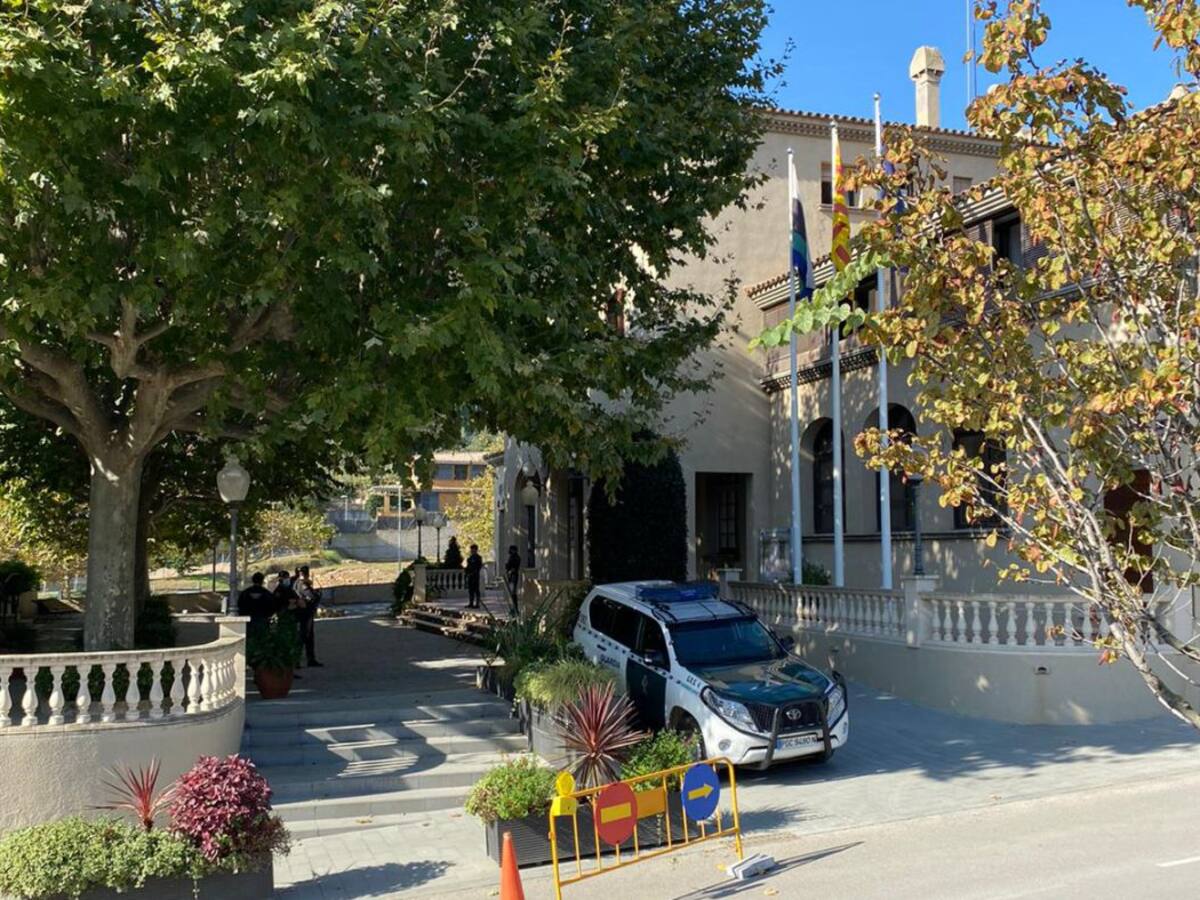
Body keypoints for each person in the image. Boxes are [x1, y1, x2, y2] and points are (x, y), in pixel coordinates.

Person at [294, 565, 324, 667]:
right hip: (305, 614)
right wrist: (317, 594)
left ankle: (308, 660)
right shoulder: (302, 584)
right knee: (304, 636)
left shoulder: (297, 582)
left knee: (307, 637)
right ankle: (298, 660)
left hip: (303, 613)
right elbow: (312, 596)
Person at [465, 544, 484, 609]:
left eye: (473, 549)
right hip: (470, 576)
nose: (472, 551)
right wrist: (467, 572)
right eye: (471, 549)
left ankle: (477, 604)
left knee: (476, 590)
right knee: (470, 590)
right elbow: (468, 566)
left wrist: (474, 572)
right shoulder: (470, 558)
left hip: (475, 576)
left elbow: (479, 566)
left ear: (476, 550)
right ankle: (471, 603)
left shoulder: (478, 558)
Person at [504, 545, 522, 614]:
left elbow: (513, 566)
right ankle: (513, 608)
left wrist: (508, 567)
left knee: (513, 593)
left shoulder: (516, 557)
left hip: (513, 576)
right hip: (511, 575)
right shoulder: (511, 557)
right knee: (511, 593)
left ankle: (515, 609)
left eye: (511, 550)